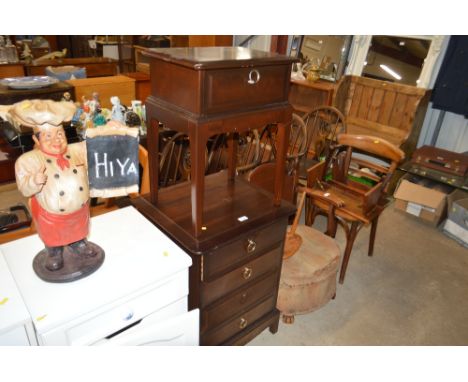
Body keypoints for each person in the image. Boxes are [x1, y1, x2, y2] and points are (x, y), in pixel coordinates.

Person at [11, 99, 97, 271]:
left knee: (78, 231)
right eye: (48, 136)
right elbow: (24, 187)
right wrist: (34, 181)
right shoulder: (29, 160)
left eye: (59, 134)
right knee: (53, 237)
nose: (56, 140)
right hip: (50, 215)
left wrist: (111, 130)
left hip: (79, 211)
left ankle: (78, 243)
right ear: (36, 139)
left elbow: (98, 146)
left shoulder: (77, 150)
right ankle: (54, 252)